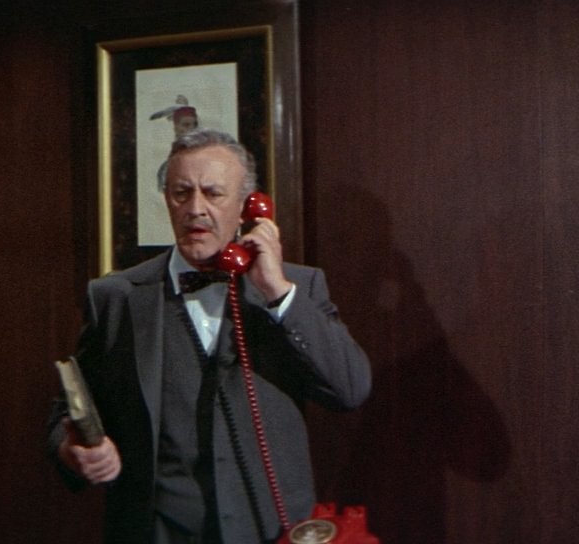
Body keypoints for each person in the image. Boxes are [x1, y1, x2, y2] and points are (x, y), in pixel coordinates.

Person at [49, 129, 371, 543]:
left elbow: (350, 389)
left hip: (271, 532)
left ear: (247, 206)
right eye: (181, 193)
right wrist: (73, 451)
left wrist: (277, 293)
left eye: (213, 193)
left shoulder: (299, 287)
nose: (195, 208)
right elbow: (66, 411)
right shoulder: (116, 297)